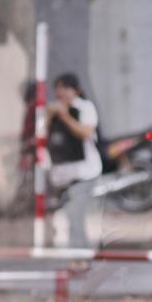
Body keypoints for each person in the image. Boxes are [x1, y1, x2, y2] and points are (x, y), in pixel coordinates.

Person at [45, 73, 103, 248]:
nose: (61, 92)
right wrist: (49, 116)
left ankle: (80, 258)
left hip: (84, 173)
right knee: (71, 218)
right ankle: (80, 257)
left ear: (75, 90)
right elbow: (42, 135)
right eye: (58, 88)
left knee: (76, 215)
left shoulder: (85, 108)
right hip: (63, 175)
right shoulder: (54, 110)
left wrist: (65, 116)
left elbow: (84, 133)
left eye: (65, 88)